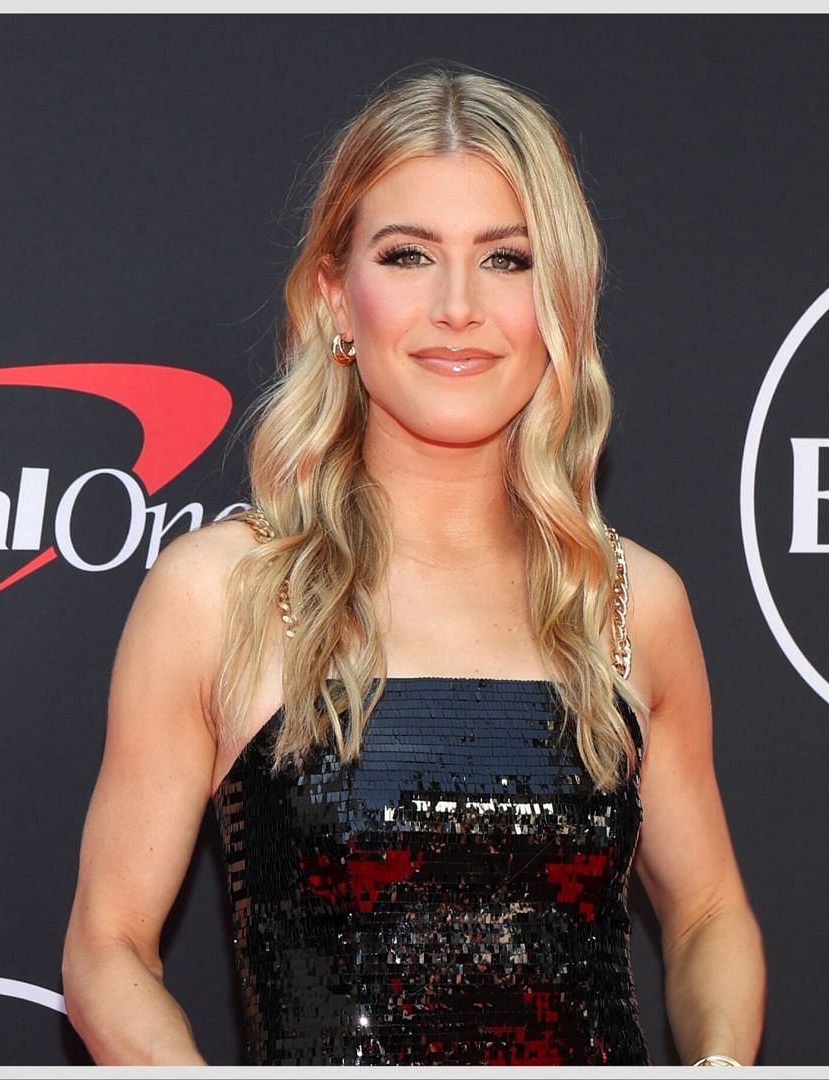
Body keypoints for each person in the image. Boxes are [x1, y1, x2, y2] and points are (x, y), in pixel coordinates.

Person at [60, 64, 765, 1066]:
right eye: (408, 256)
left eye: (507, 260)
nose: (458, 307)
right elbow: (106, 948)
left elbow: (706, 917)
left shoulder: (626, 601)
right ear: (336, 300)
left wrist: (723, 1065)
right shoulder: (220, 594)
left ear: (560, 303)